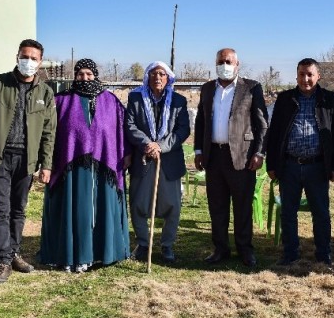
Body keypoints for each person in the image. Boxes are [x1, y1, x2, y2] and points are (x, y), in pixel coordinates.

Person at [0, 39, 57, 284]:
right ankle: (3, 260)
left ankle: (15, 252)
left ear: (40, 62)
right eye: (25, 56)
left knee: (18, 209)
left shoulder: (45, 92)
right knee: (1, 210)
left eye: (33, 58)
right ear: (17, 56)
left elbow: (49, 131)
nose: (28, 62)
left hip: (26, 160)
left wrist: (46, 164)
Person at [38, 58, 131, 273]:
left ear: (96, 75)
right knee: (75, 211)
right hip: (70, 168)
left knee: (102, 210)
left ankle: (103, 252)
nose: (84, 78)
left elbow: (122, 131)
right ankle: (72, 254)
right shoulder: (61, 101)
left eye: (89, 74)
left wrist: (127, 153)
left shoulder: (111, 101)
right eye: (80, 74)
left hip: (104, 167)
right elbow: (49, 133)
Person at [194, 48, 268, 268]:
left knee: (242, 206)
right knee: (217, 206)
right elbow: (200, 121)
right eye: (220, 61)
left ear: (237, 64)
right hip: (213, 156)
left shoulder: (252, 88)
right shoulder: (208, 89)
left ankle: (245, 250)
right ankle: (220, 248)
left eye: (228, 61)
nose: (224, 65)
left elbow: (262, 123)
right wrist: (198, 151)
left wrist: (259, 152)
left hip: (242, 157)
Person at [265, 58, 334, 266]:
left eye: (310, 75)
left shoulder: (329, 99)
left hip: (317, 166)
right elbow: (274, 133)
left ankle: (323, 254)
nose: (305, 79)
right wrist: (271, 164)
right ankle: (290, 253)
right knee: (289, 212)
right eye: (301, 74)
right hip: (289, 165)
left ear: (318, 76)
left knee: (321, 213)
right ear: (296, 75)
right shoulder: (285, 99)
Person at [125, 61, 190, 263]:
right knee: (138, 204)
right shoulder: (136, 98)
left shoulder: (179, 101)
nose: (158, 77)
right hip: (143, 159)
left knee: (172, 205)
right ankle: (144, 243)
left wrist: (161, 146)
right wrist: (147, 144)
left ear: (168, 78)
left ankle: (167, 244)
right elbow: (129, 125)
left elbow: (183, 130)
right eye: (154, 73)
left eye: (162, 74)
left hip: (168, 160)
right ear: (147, 76)